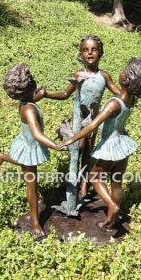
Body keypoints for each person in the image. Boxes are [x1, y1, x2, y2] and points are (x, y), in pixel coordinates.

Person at [59, 58, 141, 229]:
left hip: (110, 145)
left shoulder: (114, 103)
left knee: (95, 177)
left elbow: (93, 125)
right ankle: (113, 219)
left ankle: (112, 206)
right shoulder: (132, 99)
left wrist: (71, 138)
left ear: (126, 79)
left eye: (124, 71)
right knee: (116, 181)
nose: (121, 72)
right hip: (123, 144)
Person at [36, 35, 122, 198]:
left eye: (94, 49)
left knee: (88, 153)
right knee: (79, 148)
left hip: (94, 122)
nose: (90, 53)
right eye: (85, 50)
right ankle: (72, 182)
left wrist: (135, 90)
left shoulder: (104, 76)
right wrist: (46, 94)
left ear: (101, 52)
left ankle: (83, 185)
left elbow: (119, 93)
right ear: (81, 54)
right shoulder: (78, 74)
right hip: (78, 121)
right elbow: (65, 94)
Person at [0, 64, 63, 239]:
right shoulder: (29, 110)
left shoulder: (26, 102)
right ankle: (35, 223)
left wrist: (39, 96)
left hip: (27, 143)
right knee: (32, 184)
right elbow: (38, 134)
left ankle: (2, 156)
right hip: (30, 145)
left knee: (28, 168)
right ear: (30, 85)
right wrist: (54, 145)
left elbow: (31, 100)